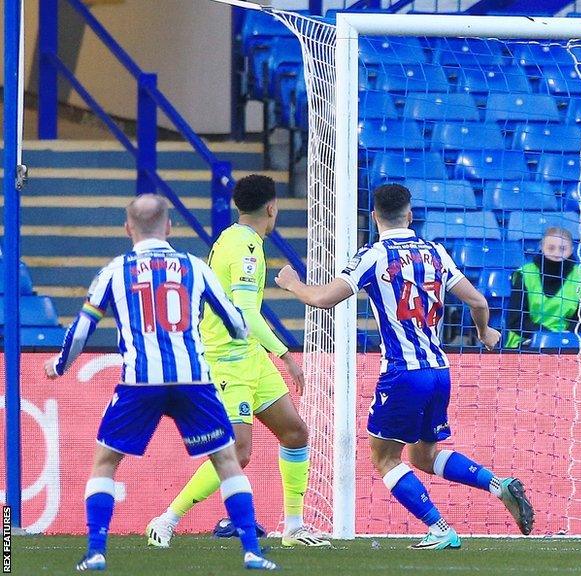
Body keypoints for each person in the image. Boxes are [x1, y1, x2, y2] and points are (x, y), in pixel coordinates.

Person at [274, 183, 535, 549]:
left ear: (375, 217)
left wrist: (292, 284)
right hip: (439, 371)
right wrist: (484, 332)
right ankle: (498, 484)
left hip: (402, 373)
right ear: (410, 215)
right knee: (423, 455)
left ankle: (440, 527)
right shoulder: (436, 253)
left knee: (384, 457)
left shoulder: (374, 255)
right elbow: (477, 300)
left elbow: (321, 300)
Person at [45, 194, 277, 571]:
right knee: (227, 461)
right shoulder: (195, 267)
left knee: (105, 463)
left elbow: (82, 329)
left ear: (127, 229)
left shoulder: (114, 271)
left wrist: (58, 366)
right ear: (169, 227)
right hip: (193, 379)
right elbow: (237, 323)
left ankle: (96, 551)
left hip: (140, 383)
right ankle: (252, 550)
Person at [148, 174, 329, 548]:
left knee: (295, 432)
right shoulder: (246, 246)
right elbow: (245, 314)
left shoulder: (232, 238)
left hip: (250, 357)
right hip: (228, 359)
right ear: (272, 208)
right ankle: (167, 519)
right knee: (239, 452)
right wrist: (286, 356)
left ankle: (293, 528)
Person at [504, 226, 581, 348]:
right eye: (551, 248)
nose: (557, 253)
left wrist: (562, 336)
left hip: (567, 343)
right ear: (541, 247)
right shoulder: (525, 274)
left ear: (572, 249)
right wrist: (545, 335)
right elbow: (515, 320)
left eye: (562, 249)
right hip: (525, 342)